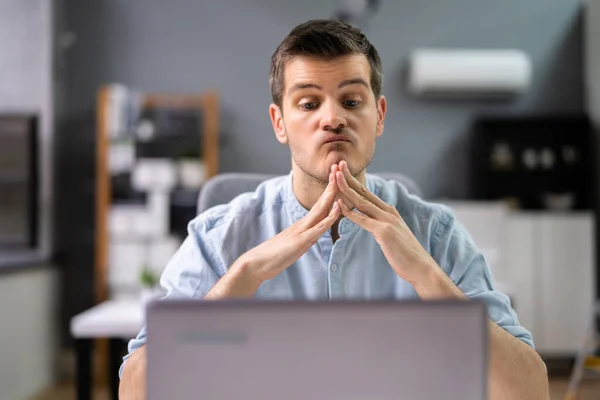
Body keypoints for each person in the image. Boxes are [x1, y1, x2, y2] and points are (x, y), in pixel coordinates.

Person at [119, 18, 549, 399]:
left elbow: (529, 390)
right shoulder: (219, 236)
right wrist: (244, 276)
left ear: (378, 115)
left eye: (351, 101)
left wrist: (427, 276)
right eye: (308, 103)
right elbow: (136, 388)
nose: (332, 118)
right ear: (279, 123)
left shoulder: (434, 233)